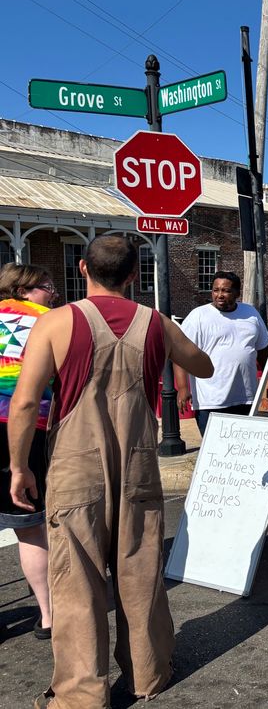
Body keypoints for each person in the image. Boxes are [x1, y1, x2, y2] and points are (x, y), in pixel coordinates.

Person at [7, 236, 213, 709]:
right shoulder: (156, 323)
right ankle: (149, 673)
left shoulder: (58, 322)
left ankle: (81, 694)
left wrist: (20, 466)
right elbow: (202, 364)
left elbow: (24, 401)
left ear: (82, 269)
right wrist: (169, 345)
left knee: (76, 579)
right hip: (139, 461)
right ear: (133, 276)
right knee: (139, 568)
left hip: (76, 465)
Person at [0, 263, 59, 643]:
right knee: (30, 526)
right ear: (23, 289)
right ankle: (49, 615)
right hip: (25, 428)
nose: (52, 292)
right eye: (45, 286)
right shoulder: (49, 322)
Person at [175, 271, 268, 435]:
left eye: (225, 291)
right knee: (215, 454)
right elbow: (180, 355)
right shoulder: (198, 316)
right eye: (216, 290)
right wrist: (183, 388)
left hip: (246, 398)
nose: (220, 295)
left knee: (244, 450)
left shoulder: (251, 313)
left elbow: (264, 351)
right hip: (211, 401)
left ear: (237, 293)